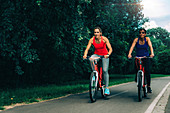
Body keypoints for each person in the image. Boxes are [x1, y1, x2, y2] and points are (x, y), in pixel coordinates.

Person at [83, 27, 113, 95]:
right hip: (97, 54)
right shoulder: (92, 39)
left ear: (100, 33)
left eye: (97, 32)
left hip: (104, 55)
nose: (96, 34)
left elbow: (110, 49)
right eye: (95, 32)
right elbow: (87, 49)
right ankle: (94, 73)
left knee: (105, 70)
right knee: (91, 58)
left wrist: (108, 54)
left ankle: (107, 88)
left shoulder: (104, 39)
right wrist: (85, 55)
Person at [128, 28, 154, 93]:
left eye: (143, 32)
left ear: (145, 34)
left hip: (146, 57)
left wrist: (152, 53)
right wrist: (129, 54)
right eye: (140, 32)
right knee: (136, 69)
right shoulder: (136, 40)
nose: (141, 34)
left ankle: (148, 86)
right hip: (138, 57)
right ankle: (138, 78)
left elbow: (150, 46)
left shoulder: (147, 39)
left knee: (147, 71)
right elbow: (132, 47)